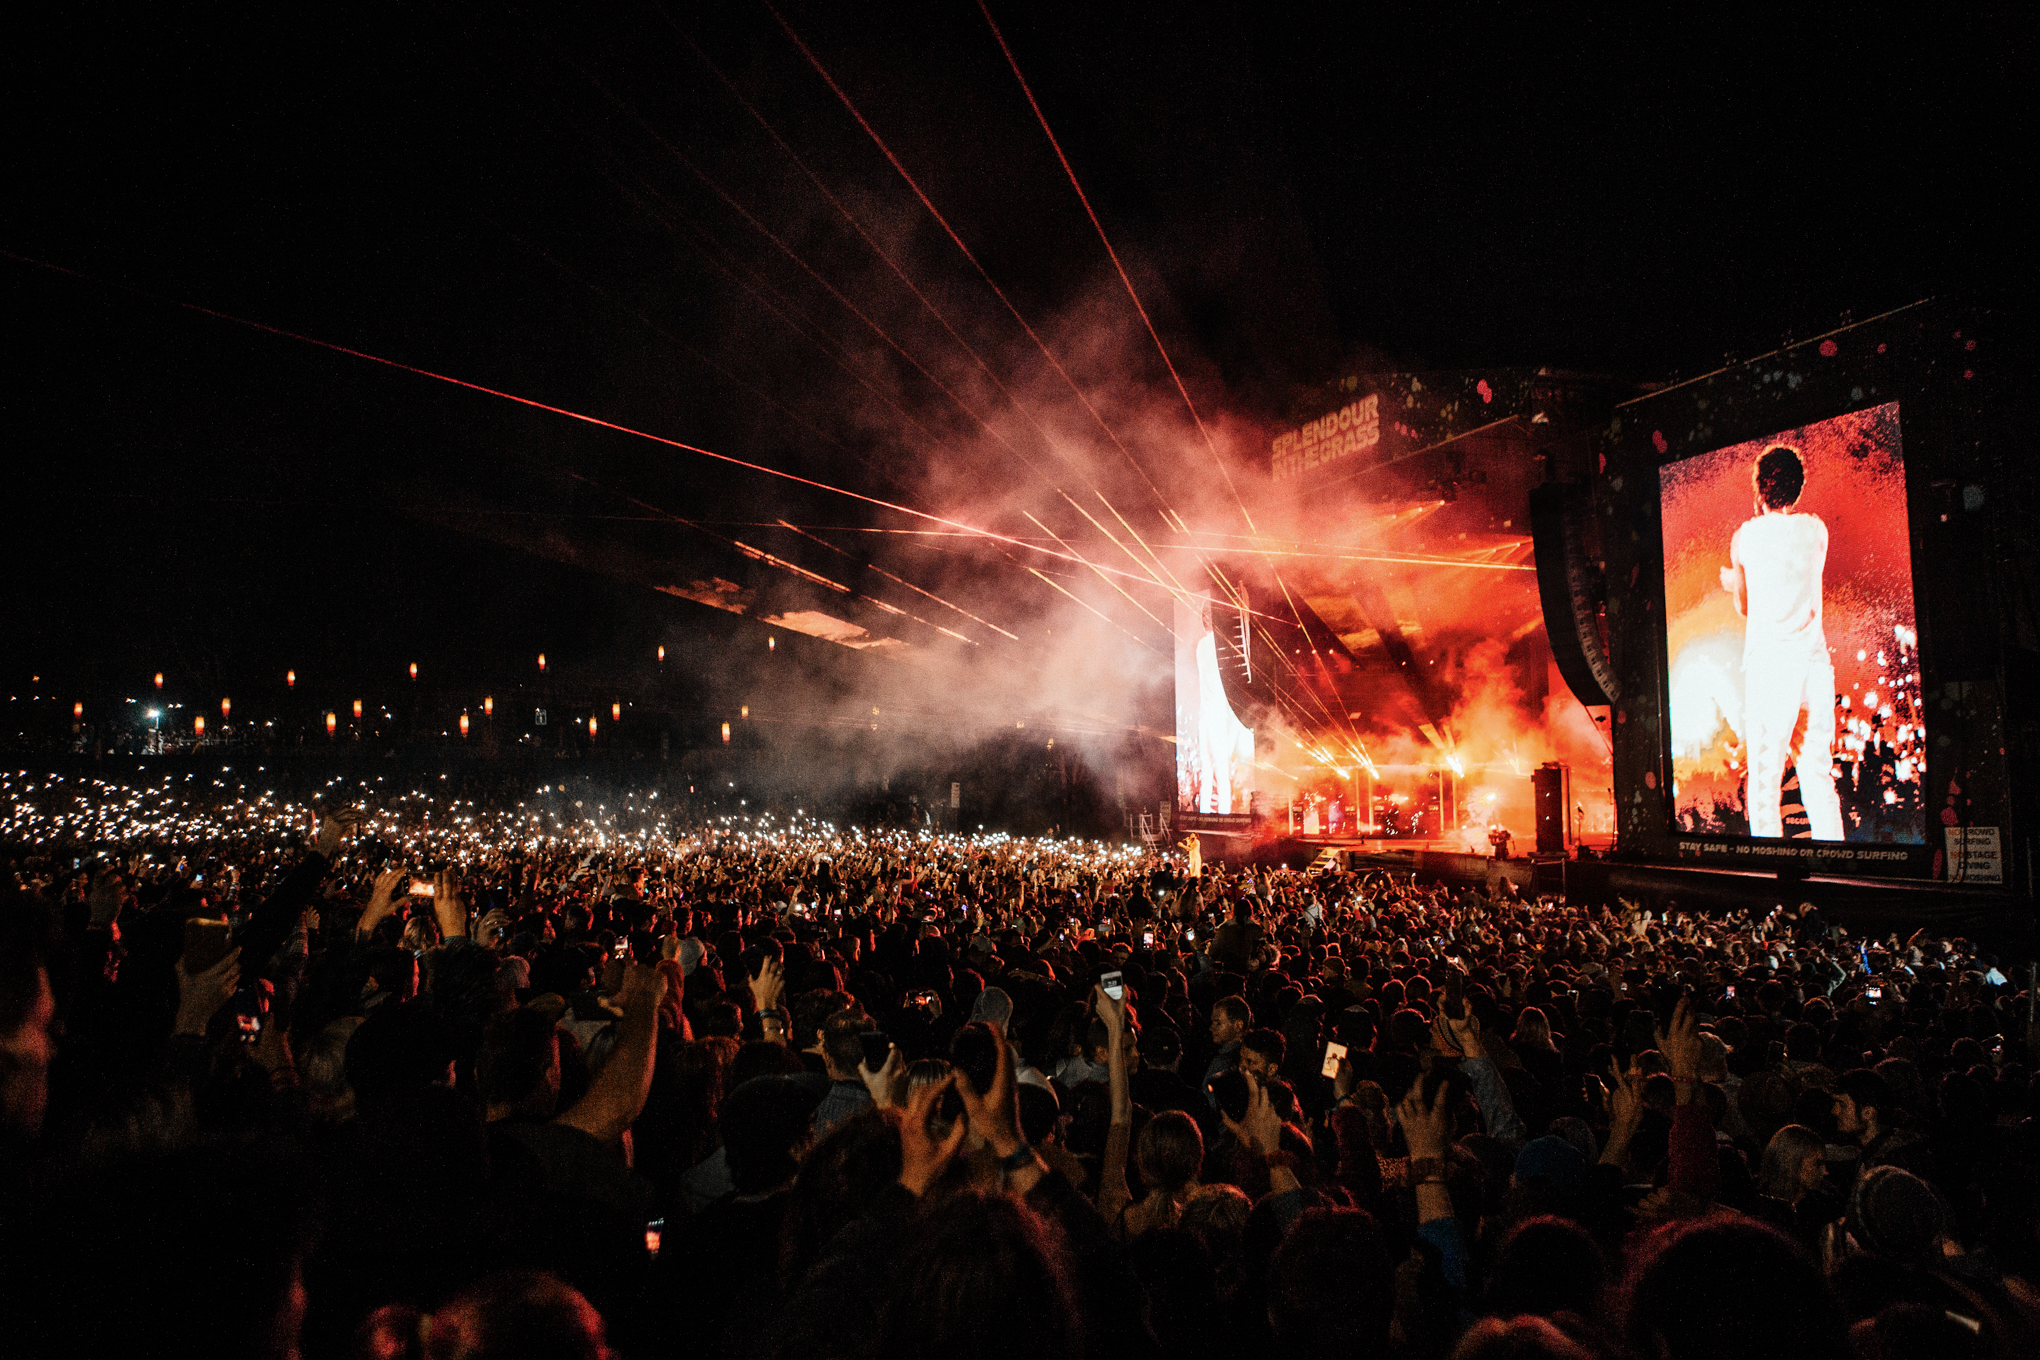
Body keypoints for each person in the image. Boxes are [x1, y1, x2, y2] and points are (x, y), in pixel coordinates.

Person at [1718, 443, 1843, 839]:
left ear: (1759, 489)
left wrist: (1732, 581)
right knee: (1818, 777)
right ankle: (1835, 872)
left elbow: (1744, 607)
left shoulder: (1745, 538)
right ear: (1798, 487)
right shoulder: (1816, 531)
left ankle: (1770, 874)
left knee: (1765, 779)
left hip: (1771, 670)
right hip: (1814, 669)